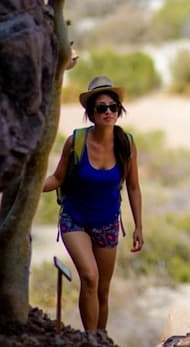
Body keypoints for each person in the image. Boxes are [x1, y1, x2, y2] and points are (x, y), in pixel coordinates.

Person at [42, 75, 144, 332]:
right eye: (101, 107)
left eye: (113, 107)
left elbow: (133, 186)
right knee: (90, 278)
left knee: (103, 290)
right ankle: (89, 340)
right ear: (90, 113)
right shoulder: (75, 142)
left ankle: (100, 337)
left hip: (107, 223)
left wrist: (139, 227)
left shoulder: (126, 144)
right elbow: (57, 178)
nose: (108, 112)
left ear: (119, 111)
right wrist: (27, 186)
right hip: (74, 219)